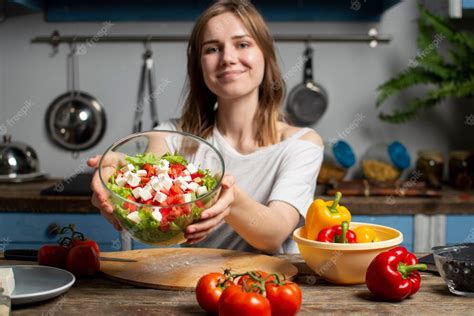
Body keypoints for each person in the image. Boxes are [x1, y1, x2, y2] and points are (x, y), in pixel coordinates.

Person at [88, 0, 324, 254]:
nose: (228, 58)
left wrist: (225, 197)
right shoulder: (169, 136)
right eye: (212, 49)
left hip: (264, 288)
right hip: (186, 285)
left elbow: (274, 234)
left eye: (242, 44)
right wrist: (121, 182)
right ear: (199, 65)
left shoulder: (302, 144)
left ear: (265, 54)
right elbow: (152, 183)